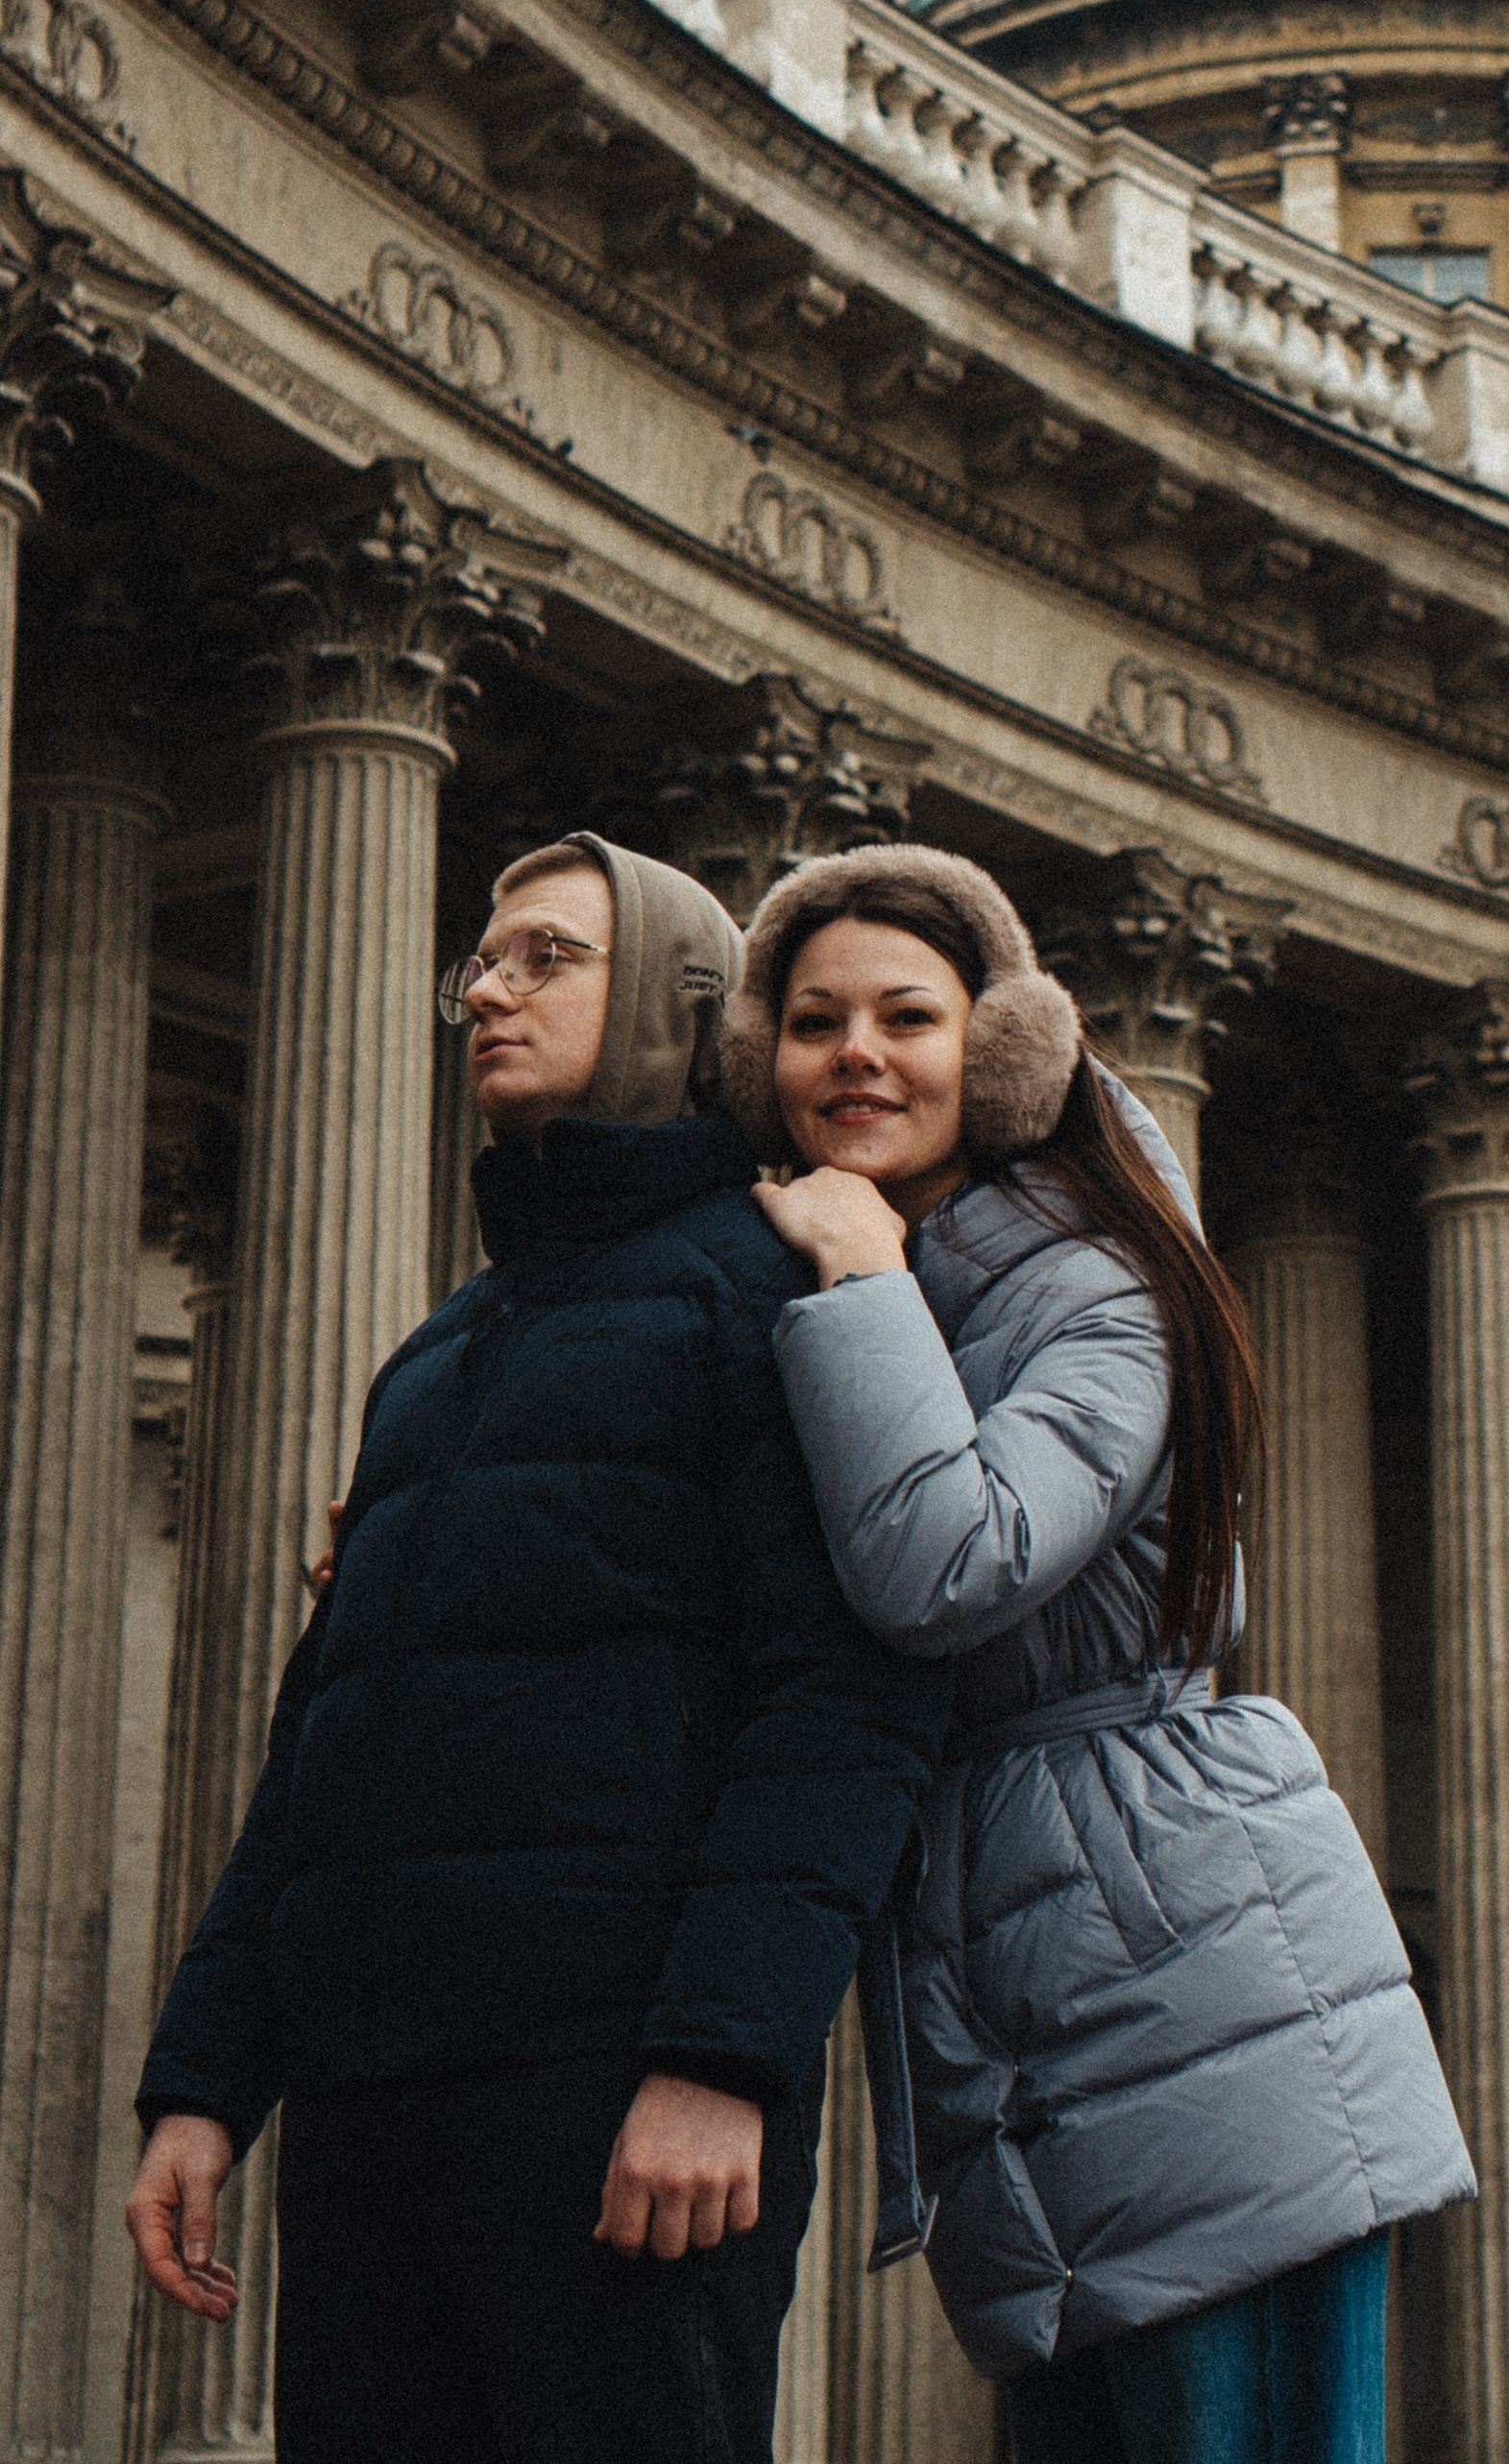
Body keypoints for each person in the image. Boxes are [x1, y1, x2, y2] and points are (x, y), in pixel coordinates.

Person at [126, 834, 950, 2464]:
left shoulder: (775, 1293)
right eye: (481, 965)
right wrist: (207, 2080)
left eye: (545, 959)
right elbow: (323, 1749)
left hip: (620, 2101)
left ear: (674, 999)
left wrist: (723, 2060)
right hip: (375, 2102)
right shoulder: (436, 1354)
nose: (488, 992)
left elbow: (843, 1707)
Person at [719, 840, 1475, 2464]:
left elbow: (946, 1563)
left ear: (1000, 1056)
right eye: (813, 1020)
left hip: (1194, 2009)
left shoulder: (1096, 1288)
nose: (855, 1051)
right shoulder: (865, 1290)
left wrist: (859, 1280)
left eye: (906, 1016)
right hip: (1049, 2020)